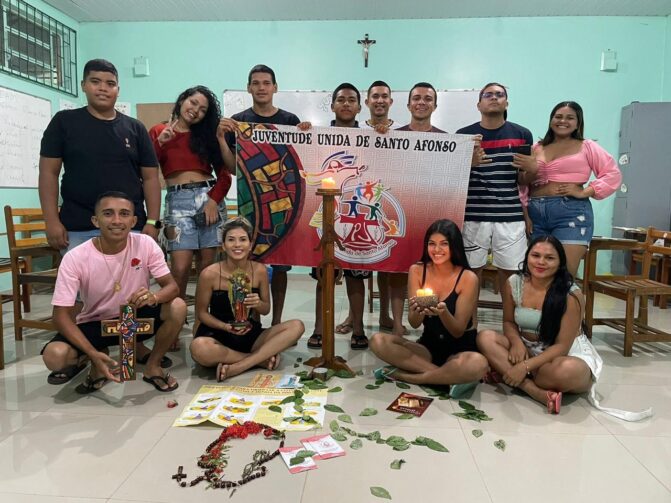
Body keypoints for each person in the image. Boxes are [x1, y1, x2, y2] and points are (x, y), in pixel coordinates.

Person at [42, 192, 186, 393]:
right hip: (95, 321)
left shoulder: (145, 243)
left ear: (134, 220)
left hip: (134, 317)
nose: (117, 221)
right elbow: (60, 315)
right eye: (108, 214)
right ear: (95, 220)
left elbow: (172, 287)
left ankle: (153, 366)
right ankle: (94, 357)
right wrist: (91, 352)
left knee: (177, 306)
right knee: (55, 356)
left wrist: (154, 297)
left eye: (124, 214)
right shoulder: (75, 257)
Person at [39, 59, 161, 252]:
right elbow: (48, 173)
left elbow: (151, 178)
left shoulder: (135, 128)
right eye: (95, 81)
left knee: (133, 283)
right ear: (83, 86)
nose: (103, 88)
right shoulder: (64, 123)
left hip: (130, 228)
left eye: (110, 84)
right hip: (79, 228)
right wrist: (51, 221)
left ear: (118, 90)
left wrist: (153, 221)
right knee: (82, 283)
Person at [476, 236, 601, 414]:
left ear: (560, 262)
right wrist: (516, 342)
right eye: (535, 255)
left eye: (549, 258)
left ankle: (508, 372)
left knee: (568, 371)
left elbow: (562, 347)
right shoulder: (514, 283)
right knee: (485, 337)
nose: (541, 262)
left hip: (560, 354)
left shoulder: (571, 294)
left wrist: (525, 367)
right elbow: (509, 322)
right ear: (527, 257)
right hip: (527, 348)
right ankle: (533, 390)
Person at [220, 64, 303, 326]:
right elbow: (234, 168)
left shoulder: (290, 121)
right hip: (250, 204)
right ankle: (251, 319)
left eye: (266, 83)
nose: (261, 88)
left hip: (282, 202)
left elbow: (300, 164)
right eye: (256, 83)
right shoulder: (238, 121)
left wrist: (307, 133)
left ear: (275, 87)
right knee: (248, 265)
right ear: (248, 88)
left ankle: (277, 321)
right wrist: (221, 137)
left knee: (280, 265)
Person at [148, 86, 234, 338]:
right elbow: (148, 170)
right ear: (182, 100)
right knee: (180, 267)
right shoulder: (158, 131)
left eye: (202, 109)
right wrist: (159, 143)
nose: (195, 110)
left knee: (208, 267)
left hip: (209, 198)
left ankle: (201, 322)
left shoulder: (206, 137)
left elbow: (225, 176)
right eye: (193, 103)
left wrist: (212, 201)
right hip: (177, 200)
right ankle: (173, 324)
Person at [369, 219, 488, 387]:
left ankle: (411, 377)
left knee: (478, 363)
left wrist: (443, 312)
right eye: (432, 244)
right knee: (378, 341)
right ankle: (445, 377)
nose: (437, 250)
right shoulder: (417, 271)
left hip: (460, 350)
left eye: (443, 244)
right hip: (428, 347)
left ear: (454, 246)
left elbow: (458, 331)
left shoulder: (468, 278)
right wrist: (418, 310)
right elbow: (414, 323)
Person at [456, 82, 537, 320]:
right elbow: (454, 179)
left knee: (512, 277)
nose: (494, 98)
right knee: (471, 275)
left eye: (500, 95)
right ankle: (469, 330)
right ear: (478, 103)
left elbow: (523, 180)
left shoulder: (522, 134)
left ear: (507, 102)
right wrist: (468, 164)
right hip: (473, 215)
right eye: (488, 95)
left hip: (510, 217)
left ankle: (510, 330)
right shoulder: (463, 135)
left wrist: (532, 170)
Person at [190, 217, 304, 381]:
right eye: (231, 240)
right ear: (223, 245)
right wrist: (225, 326)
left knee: (297, 326)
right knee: (199, 348)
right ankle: (258, 360)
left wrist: (257, 303)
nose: (237, 245)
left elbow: (266, 310)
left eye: (243, 240)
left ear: (250, 245)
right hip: (218, 334)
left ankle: (239, 365)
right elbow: (201, 313)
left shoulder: (259, 271)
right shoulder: (209, 274)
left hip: (249, 332)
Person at [523, 101, 622, 276]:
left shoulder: (587, 146)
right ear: (551, 119)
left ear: (578, 122)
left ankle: (569, 304)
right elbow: (523, 185)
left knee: (564, 277)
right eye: (558, 116)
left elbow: (612, 174)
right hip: (535, 213)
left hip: (571, 213)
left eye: (570, 118)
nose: (563, 121)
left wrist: (585, 191)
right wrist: (525, 214)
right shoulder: (536, 148)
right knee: (536, 275)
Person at [308, 82, 371, 350]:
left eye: (352, 100)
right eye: (341, 99)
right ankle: (319, 329)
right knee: (325, 275)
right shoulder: (317, 135)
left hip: (356, 211)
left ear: (359, 106)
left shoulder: (371, 138)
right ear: (332, 105)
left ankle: (358, 329)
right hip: (326, 212)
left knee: (356, 276)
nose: (346, 104)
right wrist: (302, 133)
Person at [359, 80, 408, 336]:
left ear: (391, 101)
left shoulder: (404, 132)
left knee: (391, 262)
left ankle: (388, 316)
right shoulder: (353, 130)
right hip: (361, 200)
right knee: (359, 262)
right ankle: (356, 319)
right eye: (374, 96)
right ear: (367, 102)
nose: (379, 100)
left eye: (384, 96)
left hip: (392, 200)